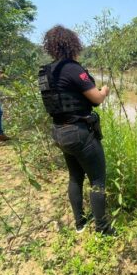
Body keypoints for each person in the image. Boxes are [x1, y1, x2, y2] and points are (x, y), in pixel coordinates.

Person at [39, 25, 115, 235]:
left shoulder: (45, 72)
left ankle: (80, 223)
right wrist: (105, 91)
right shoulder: (72, 68)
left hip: (59, 132)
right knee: (98, 180)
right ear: (72, 44)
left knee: (75, 177)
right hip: (79, 133)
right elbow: (97, 99)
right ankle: (103, 229)